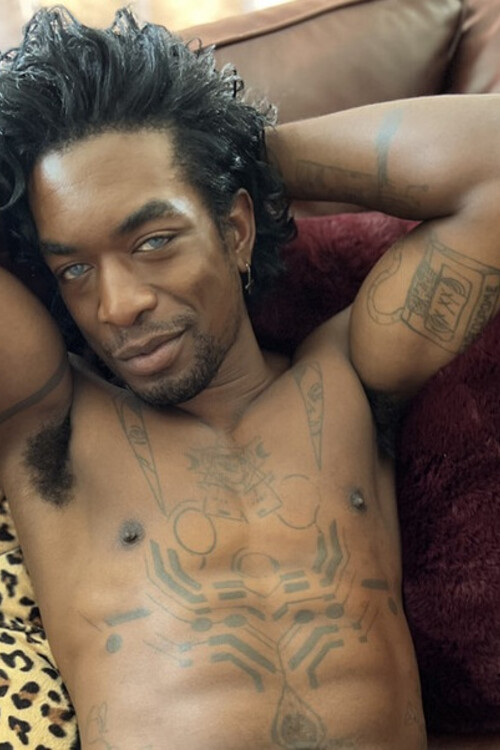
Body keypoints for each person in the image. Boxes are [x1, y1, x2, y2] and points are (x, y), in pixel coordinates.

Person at [0, 6, 498, 750]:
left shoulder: (345, 382)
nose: (117, 305)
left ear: (235, 229)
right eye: (74, 268)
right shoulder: (51, 422)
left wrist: (223, 152)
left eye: (154, 240)